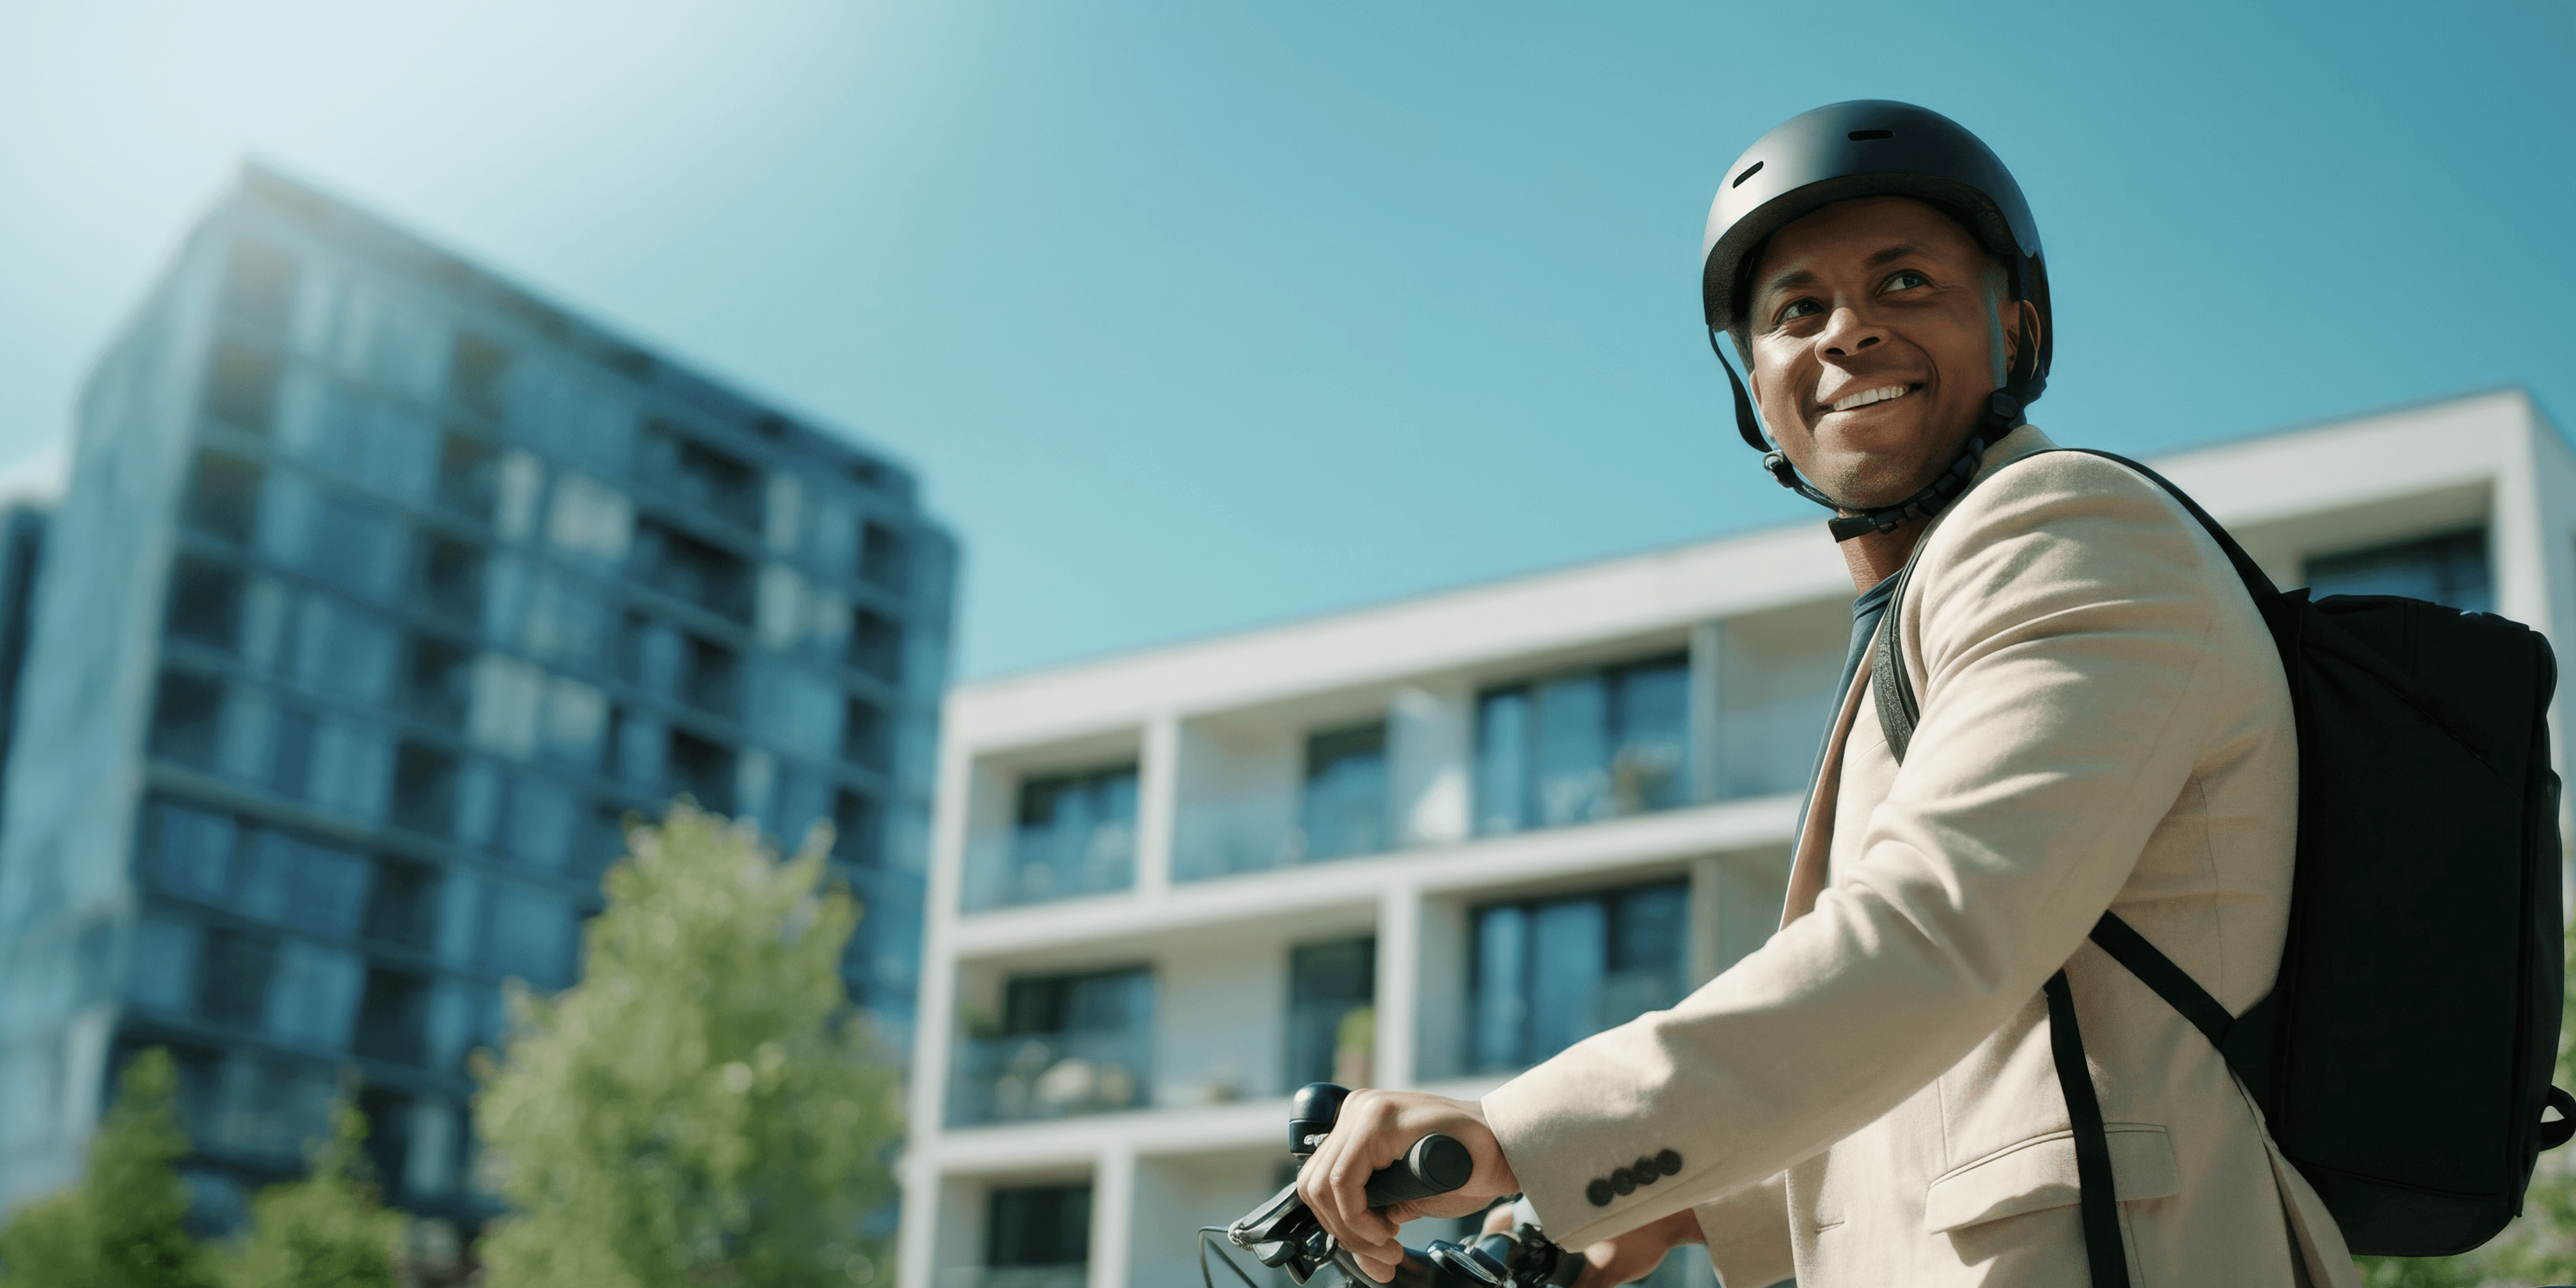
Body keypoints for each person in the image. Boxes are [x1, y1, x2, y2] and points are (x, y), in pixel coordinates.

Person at [1297, 101, 2361, 1287]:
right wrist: (1692, 1208)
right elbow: (1965, 1056)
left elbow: (1934, 933)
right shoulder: (1923, 606)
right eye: (1797, 310)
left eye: (1905, 283)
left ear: (2017, 327)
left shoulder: (2066, 526)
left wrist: (1513, 1136)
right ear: (1755, 388)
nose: (1847, 332)